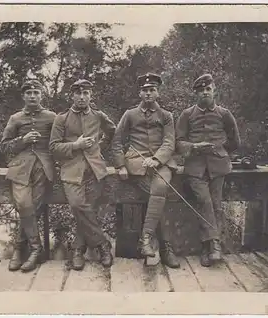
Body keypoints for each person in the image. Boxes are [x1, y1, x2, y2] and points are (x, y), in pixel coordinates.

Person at [111, 72, 180, 268]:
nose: (148, 93)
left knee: (159, 189)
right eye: (145, 90)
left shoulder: (166, 116)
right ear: (140, 93)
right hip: (136, 164)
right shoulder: (130, 114)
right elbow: (117, 141)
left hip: (161, 164)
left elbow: (169, 142)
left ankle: (146, 239)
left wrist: (157, 159)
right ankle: (166, 247)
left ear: (158, 92)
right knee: (160, 198)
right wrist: (120, 165)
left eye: (152, 90)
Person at [49, 79, 117, 271]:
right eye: (78, 93)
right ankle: (103, 244)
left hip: (95, 171)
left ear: (91, 95)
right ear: (72, 96)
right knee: (78, 205)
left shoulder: (98, 116)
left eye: (86, 93)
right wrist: (75, 146)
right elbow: (53, 148)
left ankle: (78, 249)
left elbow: (112, 131)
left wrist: (99, 147)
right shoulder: (61, 119)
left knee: (88, 211)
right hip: (71, 171)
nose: (82, 97)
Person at [175, 73, 241, 267]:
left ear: (214, 91)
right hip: (195, 167)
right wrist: (194, 147)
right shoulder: (187, 115)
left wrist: (219, 150)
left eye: (208, 89)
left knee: (216, 204)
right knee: (204, 201)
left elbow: (235, 141)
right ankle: (215, 245)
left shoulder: (224, 114)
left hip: (218, 166)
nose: (205, 92)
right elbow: (178, 143)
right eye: (201, 90)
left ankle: (207, 248)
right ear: (195, 93)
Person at [0, 79, 57, 272]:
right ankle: (35, 248)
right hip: (20, 168)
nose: (33, 96)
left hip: (44, 168)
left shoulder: (52, 117)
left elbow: (59, 142)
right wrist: (22, 140)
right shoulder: (15, 118)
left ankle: (19, 248)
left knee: (34, 208)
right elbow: (4, 146)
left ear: (42, 95)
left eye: (36, 92)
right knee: (24, 204)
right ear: (23, 96)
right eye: (29, 93)